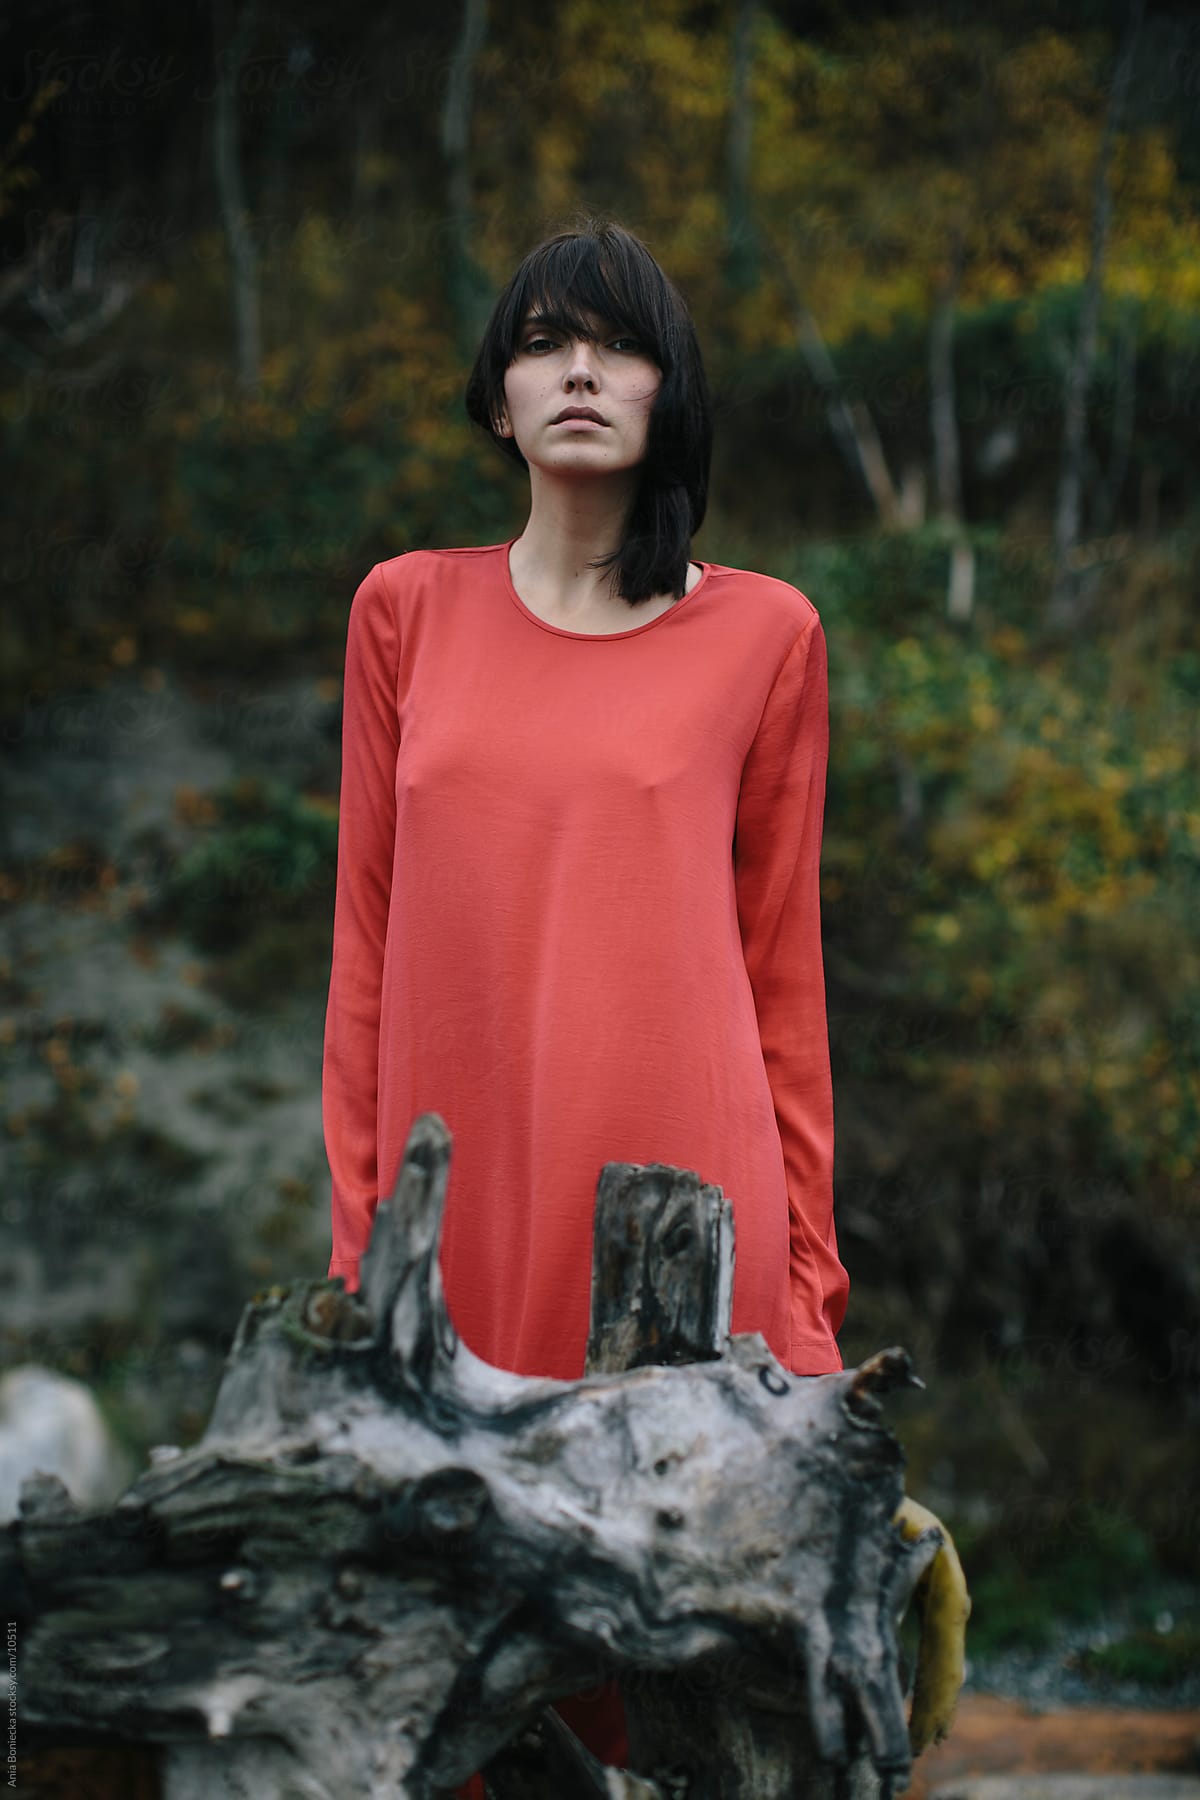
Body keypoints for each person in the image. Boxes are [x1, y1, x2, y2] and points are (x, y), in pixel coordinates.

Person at [320, 217, 850, 1789]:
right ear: (498, 396)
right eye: (543, 340)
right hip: (463, 1206)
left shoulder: (766, 632)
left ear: (664, 392)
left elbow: (784, 978)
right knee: (465, 1672)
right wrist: (364, 1246)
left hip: (681, 1220)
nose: (576, 369)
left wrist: (808, 1281)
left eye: (614, 345)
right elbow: (362, 952)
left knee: (679, 1681)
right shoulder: (403, 613)